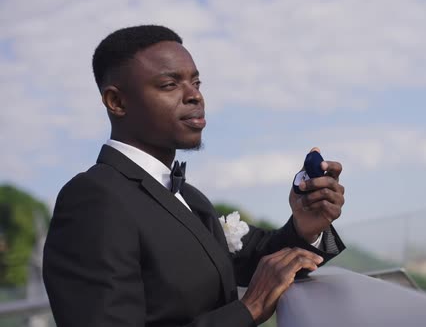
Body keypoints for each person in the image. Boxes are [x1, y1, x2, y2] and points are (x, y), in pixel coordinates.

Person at [42, 25, 346, 327]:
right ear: (117, 102)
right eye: (169, 84)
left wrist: (307, 226)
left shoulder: (190, 197)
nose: (195, 96)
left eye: (196, 82)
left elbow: (258, 259)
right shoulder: (93, 199)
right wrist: (248, 309)